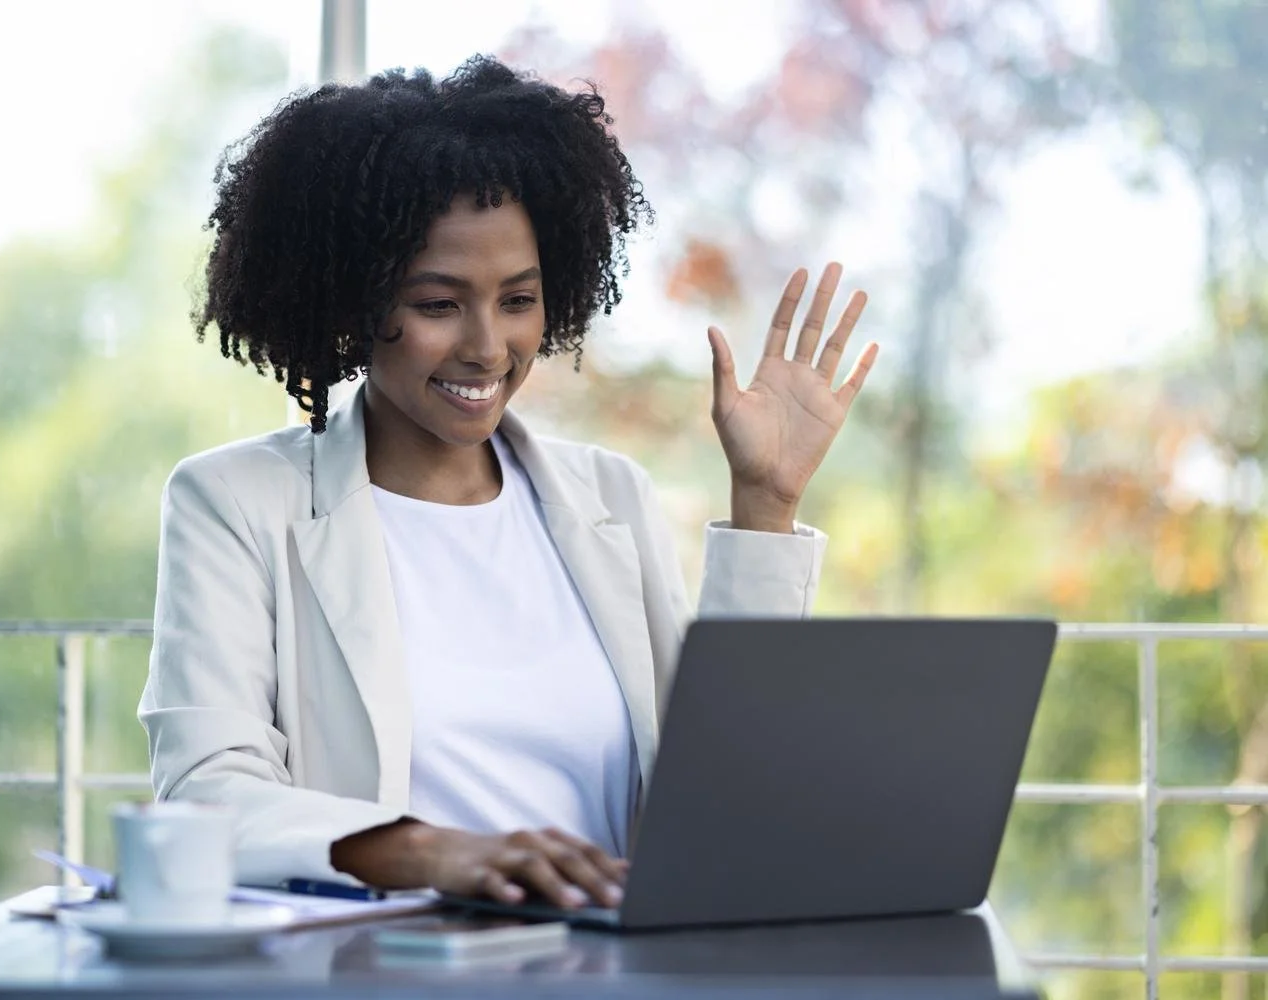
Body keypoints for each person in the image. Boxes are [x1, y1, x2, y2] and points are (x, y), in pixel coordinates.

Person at [138, 55, 877, 912]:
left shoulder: (611, 496)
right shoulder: (234, 504)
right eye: (439, 304)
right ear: (350, 302)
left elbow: (729, 791)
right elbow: (206, 794)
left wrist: (767, 505)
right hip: (387, 969)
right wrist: (434, 853)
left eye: (518, 299)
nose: (488, 347)